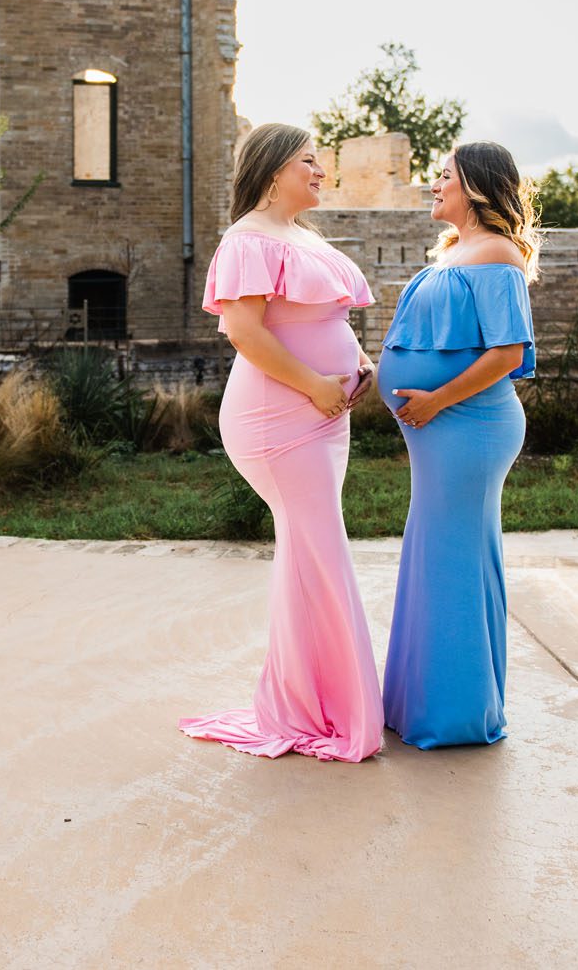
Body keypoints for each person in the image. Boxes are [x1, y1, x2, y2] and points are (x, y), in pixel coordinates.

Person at [179, 122, 385, 762]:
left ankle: (314, 701)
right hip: (278, 417)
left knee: (311, 549)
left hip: (323, 413)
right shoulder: (246, 239)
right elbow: (245, 331)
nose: (320, 171)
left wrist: (358, 364)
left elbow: (323, 318)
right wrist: (317, 386)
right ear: (272, 171)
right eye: (308, 161)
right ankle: (329, 709)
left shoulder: (303, 238)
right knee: (320, 549)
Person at [380, 141, 537, 748]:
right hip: (438, 430)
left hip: (469, 427)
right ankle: (423, 700)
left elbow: (507, 352)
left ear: (473, 185)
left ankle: (456, 715)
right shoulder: (456, 251)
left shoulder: (496, 252)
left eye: (443, 175)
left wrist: (436, 400)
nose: (433, 183)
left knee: (453, 560)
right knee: (436, 552)